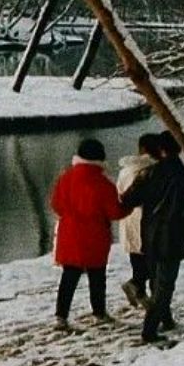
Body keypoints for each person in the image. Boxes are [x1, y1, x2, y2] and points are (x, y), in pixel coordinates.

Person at [118, 130, 184, 343]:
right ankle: (149, 331)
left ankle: (165, 320)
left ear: (160, 150)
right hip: (175, 234)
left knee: (156, 280)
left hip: (148, 234)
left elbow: (128, 200)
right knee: (165, 285)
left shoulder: (148, 173)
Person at [49, 137, 124, 328]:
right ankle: (99, 312)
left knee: (69, 277)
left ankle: (61, 315)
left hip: (70, 234)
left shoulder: (65, 177)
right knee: (97, 276)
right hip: (95, 236)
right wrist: (129, 205)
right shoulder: (103, 183)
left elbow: (56, 204)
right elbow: (115, 212)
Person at [115, 133, 160, 310]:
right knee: (153, 262)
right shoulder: (154, 170)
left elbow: (119, 193)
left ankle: (139, 292)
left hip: (128, 219)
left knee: (137, 258)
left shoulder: (125, 171)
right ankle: (140, 288)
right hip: (148, 220)